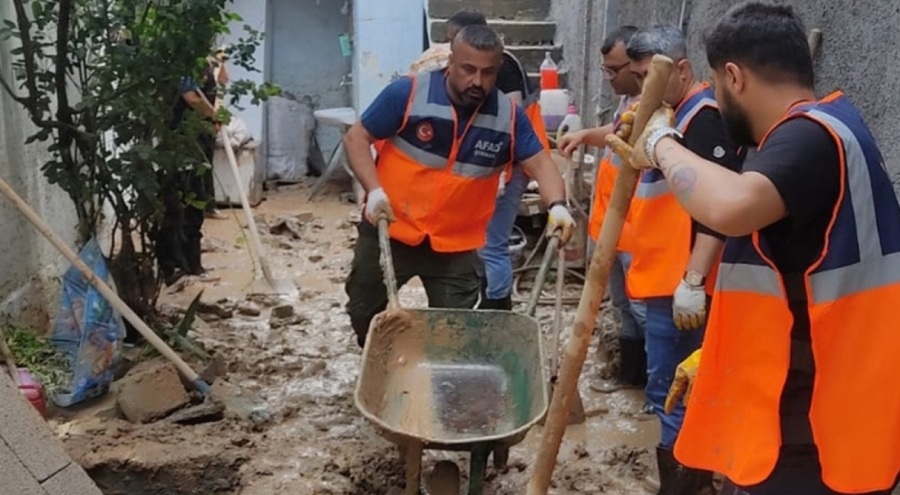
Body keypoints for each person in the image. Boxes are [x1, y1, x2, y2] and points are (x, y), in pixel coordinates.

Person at [610, 3, 900, 495]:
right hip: (814, 396)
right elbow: (786, 275)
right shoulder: (825, 128)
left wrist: (660, 142)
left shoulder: (813, 136)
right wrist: (722, 352)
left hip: (816, 422)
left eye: (718, 89)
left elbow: (732, 208)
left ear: (734, 77)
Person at [343, 25, 574, 347]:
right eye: (468, 69)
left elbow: (541, 163)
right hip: (393, 229)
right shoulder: (408, 95)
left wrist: (558, 206)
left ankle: (441, 384)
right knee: (364, 311)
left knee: (454, 333)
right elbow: (356, 137)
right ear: (450, 62)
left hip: (455, 247)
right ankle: (385, 370)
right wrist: (374, 190)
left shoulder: (507, 117)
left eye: (488, 73)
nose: (477, 81)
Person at [622, 24, 744, 494]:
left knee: (672, 394)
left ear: (683, 70)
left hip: (683, 287)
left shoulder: (703, 119)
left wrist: (693, 278)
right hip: (664, 279)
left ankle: (684, 487)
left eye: (646, 75)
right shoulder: (672, 117)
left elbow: (723, 202)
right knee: (670, 392)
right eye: (636, 76)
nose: (640, 86)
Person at [411, 8, 552, 310]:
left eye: (452, 39)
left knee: (492, 245)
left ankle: (497, 309)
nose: (448, 46)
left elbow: (507, 126)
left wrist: (500, 175)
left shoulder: (502, 68)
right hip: (485, 164)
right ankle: (481, 302)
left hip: (510, 163)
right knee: (474, 242)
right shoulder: (474, 70)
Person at [558, 25, 648, 392]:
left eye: (615, 70)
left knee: (644, 313)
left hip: (640, 233)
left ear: (638, 65)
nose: (609, 77)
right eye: (605, 70)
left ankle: (654, 389)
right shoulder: (629, 104)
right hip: (615, 230)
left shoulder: (655, 109)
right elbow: (612, 133)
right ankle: (630, 376)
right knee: (623, 307)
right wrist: (583, 135)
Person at [157, 58, 220, 284]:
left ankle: (191, 266)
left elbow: (200, 94)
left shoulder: (200, 62)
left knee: (194, 203)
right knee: (183, 205)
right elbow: (192, 97)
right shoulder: (181, 61)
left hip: (195, 141)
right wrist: (214, 115)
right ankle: (175, 267)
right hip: (181, 142)